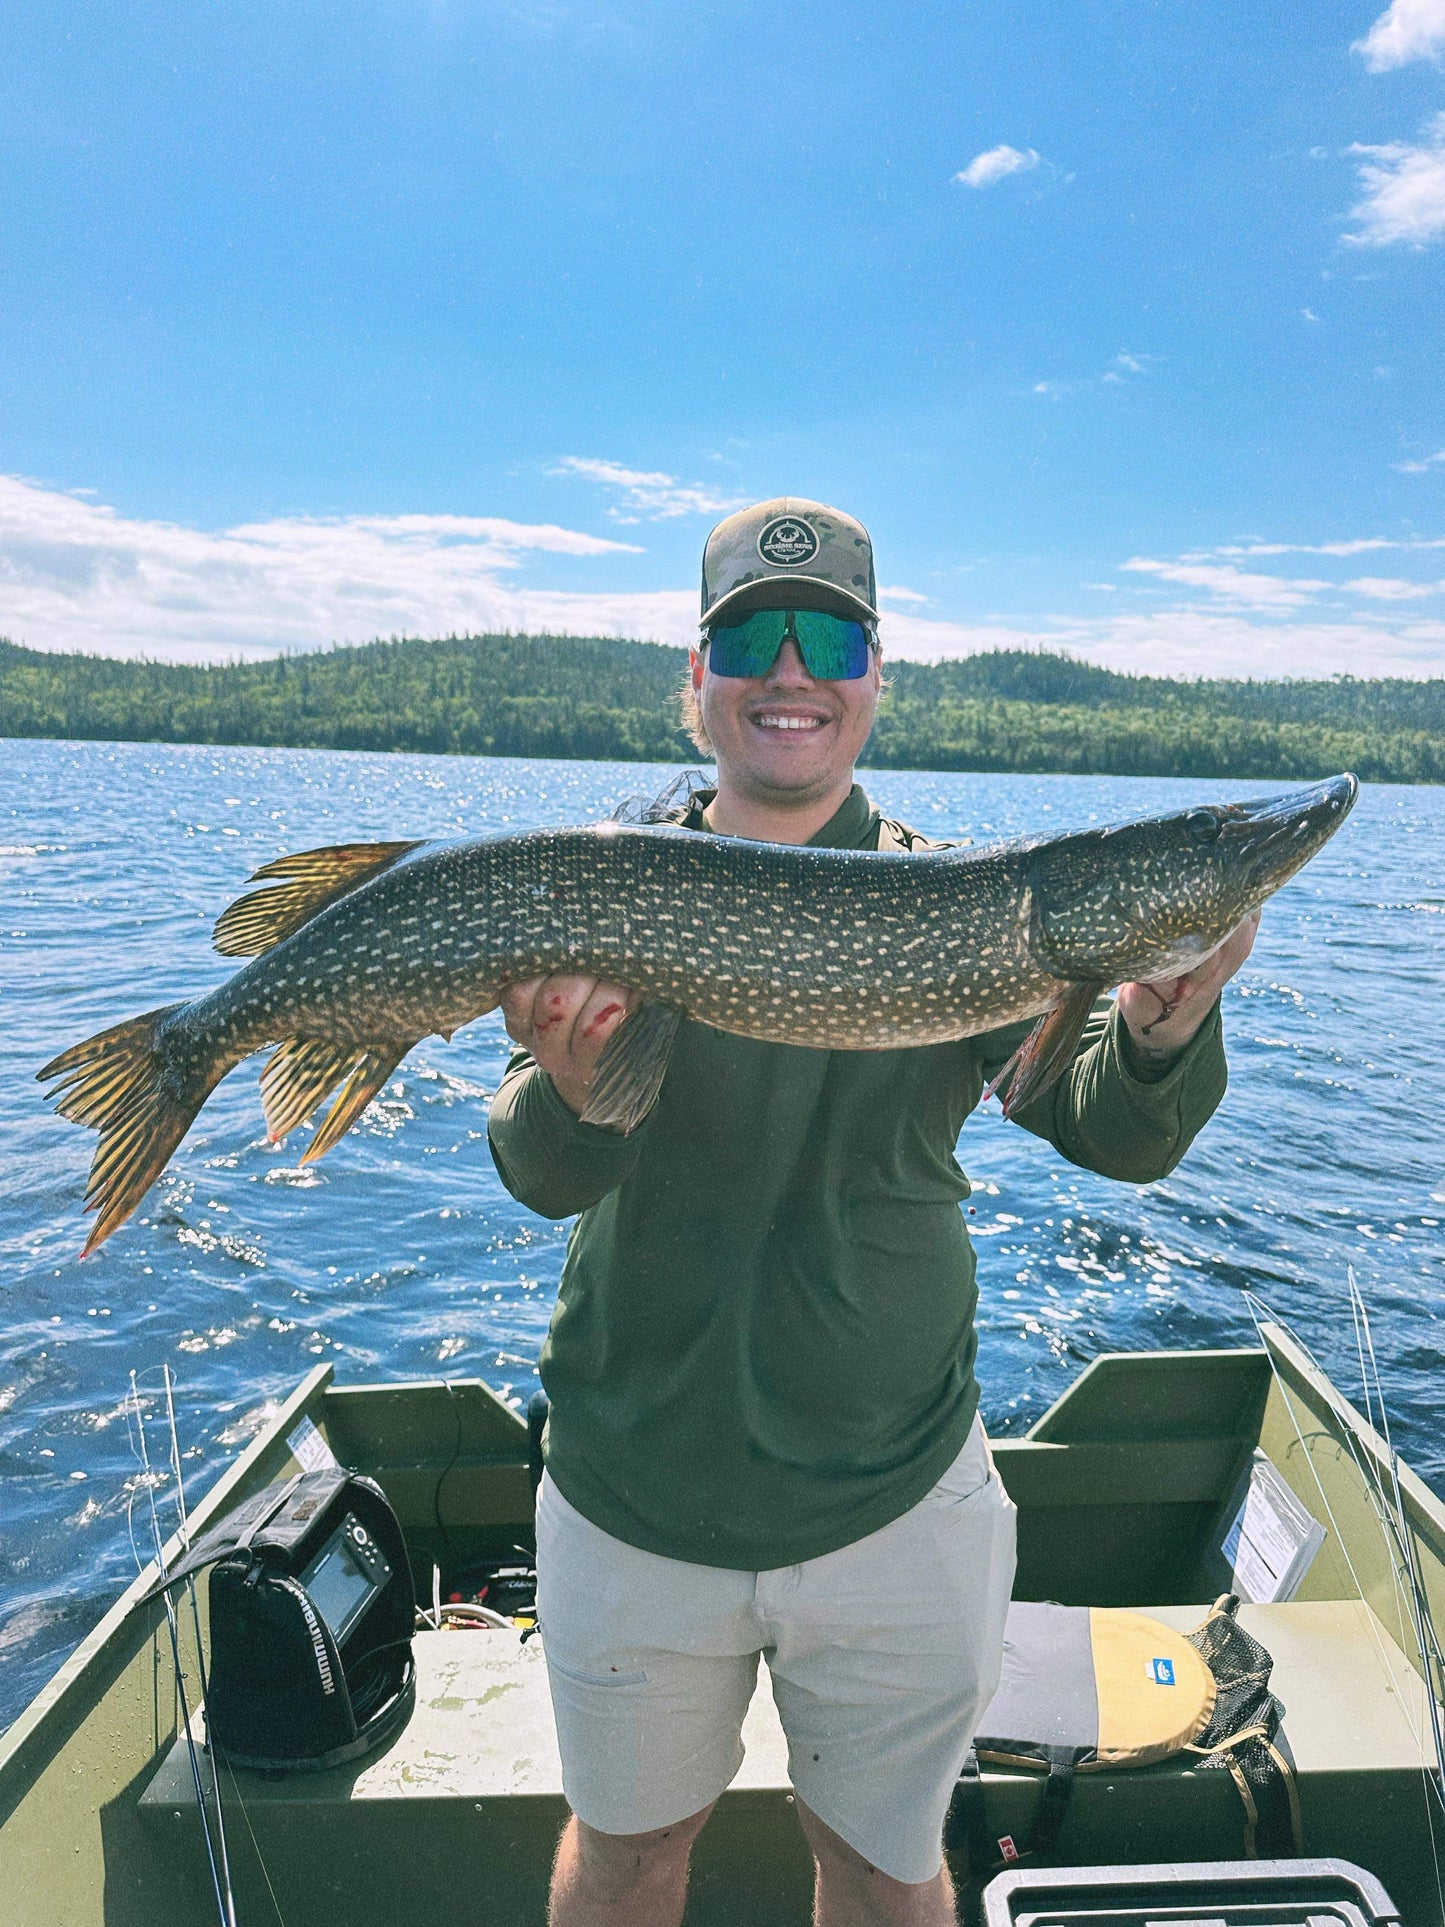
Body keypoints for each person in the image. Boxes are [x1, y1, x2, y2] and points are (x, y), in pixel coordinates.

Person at [488, 498, 1256, 1927]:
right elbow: (540, 1176)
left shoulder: (956, 901)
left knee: (884, 1863)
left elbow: (1100, 1125)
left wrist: (1157, 1030)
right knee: (629, 1852)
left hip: (893, 1498)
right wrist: (572, 1087)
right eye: (750, 636)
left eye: (828, 633)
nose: (791, 668)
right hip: (632, 1486)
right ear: (698, 682)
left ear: (874, 673)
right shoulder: (599, 882)